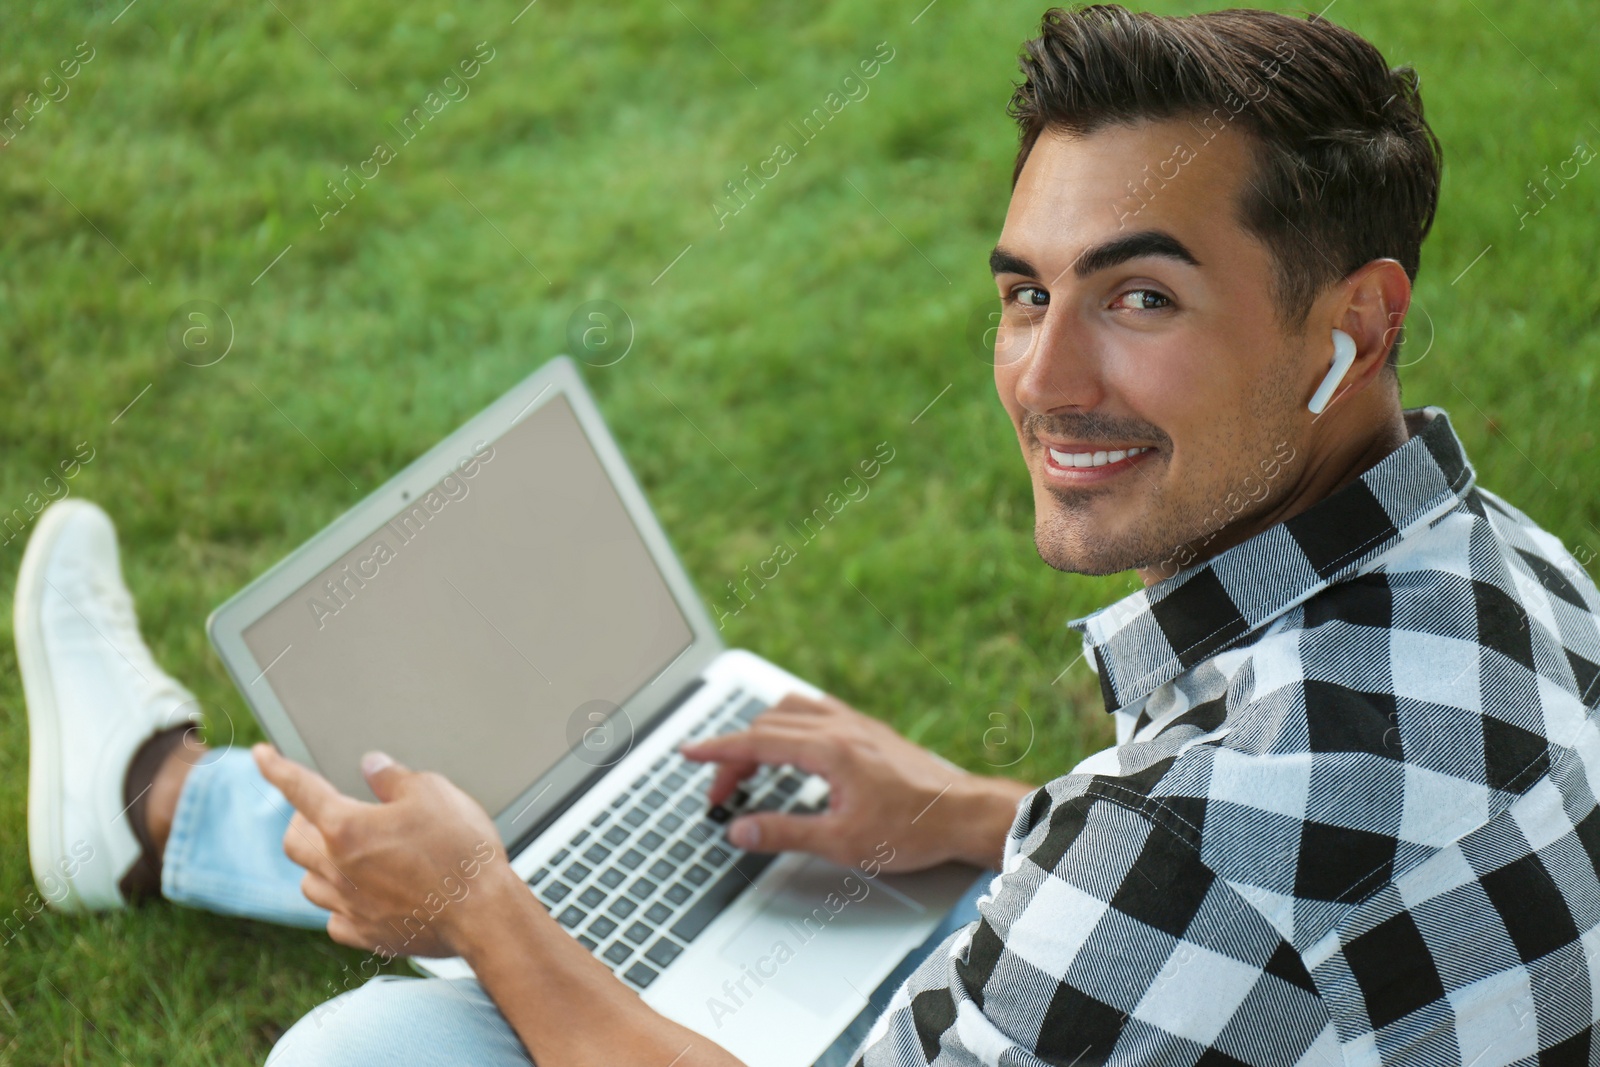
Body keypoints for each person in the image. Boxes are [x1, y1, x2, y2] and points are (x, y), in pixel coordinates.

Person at [18, 4, 1600, 1065]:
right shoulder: (1510, 572)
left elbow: (1222, 866)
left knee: (355, 1054)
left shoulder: (1190, 844)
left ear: (1358, 320)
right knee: (632, 835)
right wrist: (983, 815)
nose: (1044, 379)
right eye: (1025, 292)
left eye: (1141, 297)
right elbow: (1277, 886)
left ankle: (189, 816)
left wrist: (484, 915)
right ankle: (154, 807)